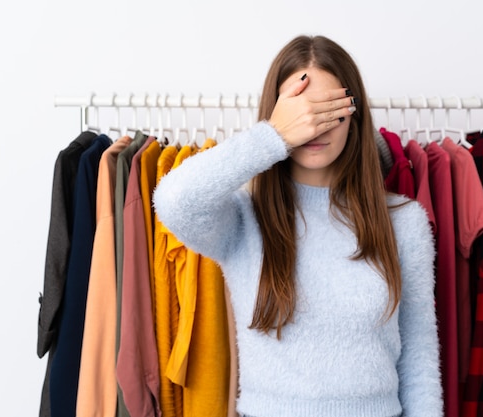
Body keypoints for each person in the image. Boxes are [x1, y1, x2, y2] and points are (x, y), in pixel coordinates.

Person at [154, 35, 442, 417]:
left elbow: (419, 360)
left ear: (353, 114)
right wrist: (272, 136)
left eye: (329, 110)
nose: (314, 127)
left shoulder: (404, 222)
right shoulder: (243, 219)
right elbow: (174, 200)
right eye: (301, 113)